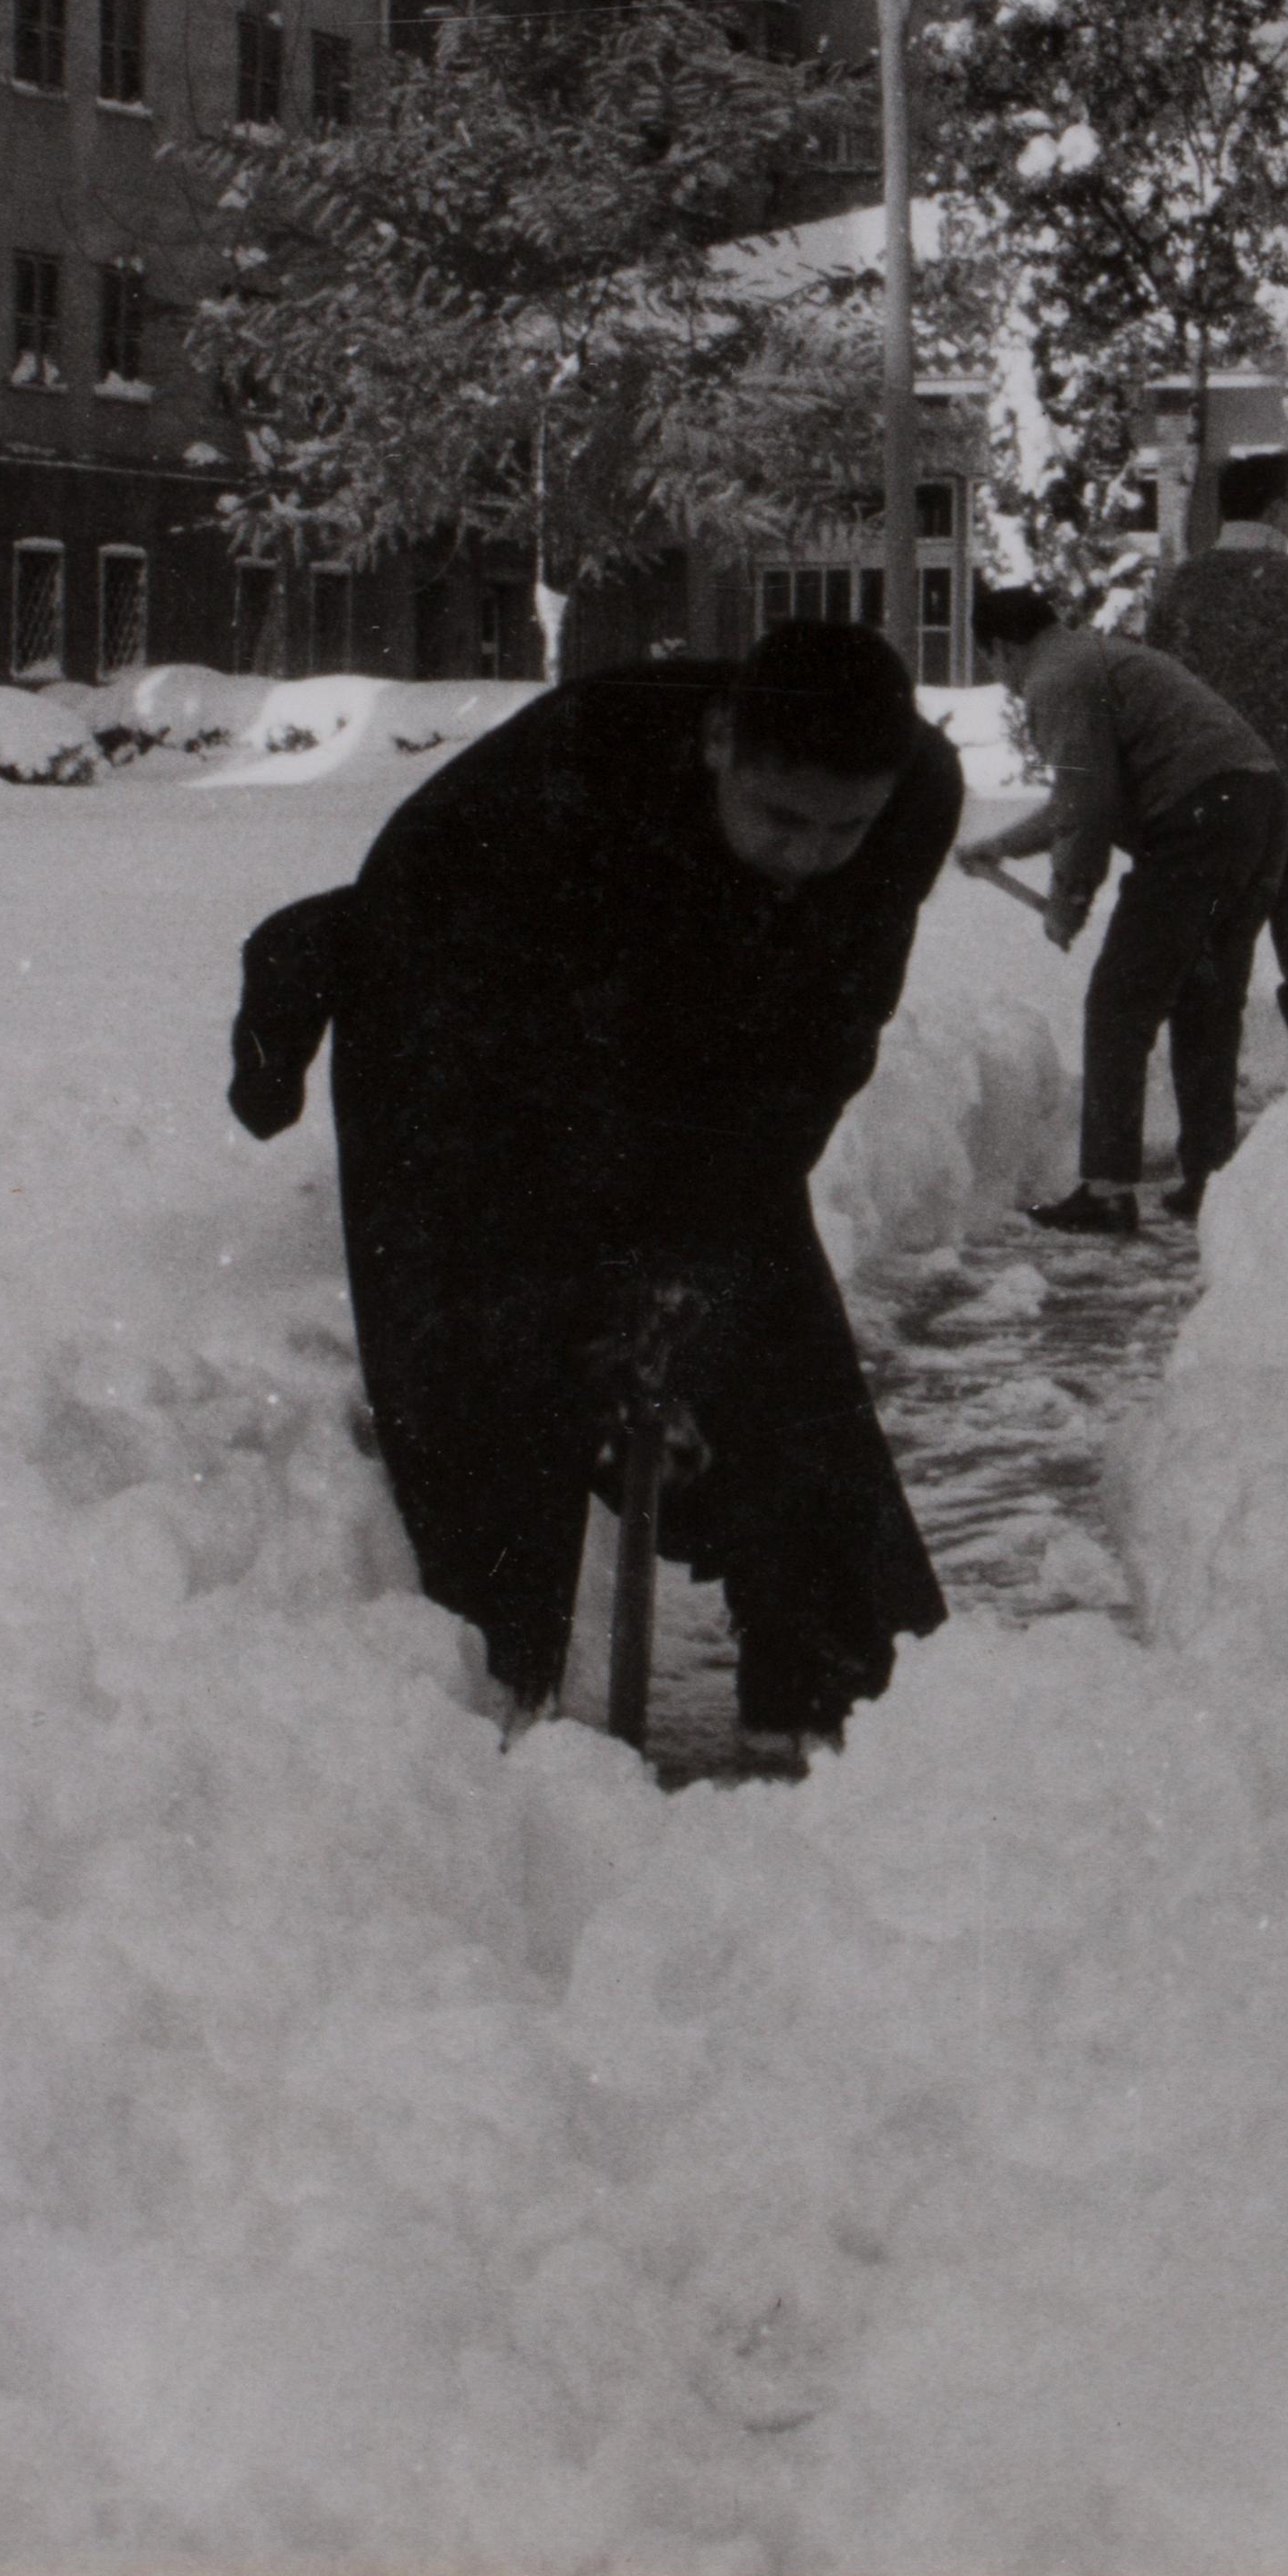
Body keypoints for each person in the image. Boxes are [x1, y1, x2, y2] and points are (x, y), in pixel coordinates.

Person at [228, 624, 961, 1749]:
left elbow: (818, 1042)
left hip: (676, 981)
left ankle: (839, 1684)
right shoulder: (566, 790)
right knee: (487, 1349)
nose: (810, 855)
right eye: (780, 817)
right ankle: (492, 1713)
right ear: (720, 739)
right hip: (449, 987)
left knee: (762, 1313)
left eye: (840, 829)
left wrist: (700, 1261)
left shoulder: (909, 798)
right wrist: (621, 1294)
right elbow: (535, 1108)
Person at [958, 583, 1288, 1236]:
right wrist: (1001, 845)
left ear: (999, 647)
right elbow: (1079, 801)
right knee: (1204, 997)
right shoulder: (1089, 657)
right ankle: (1211, 1176)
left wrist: (1068, 901)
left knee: (1119, 1002)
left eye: (991, 664)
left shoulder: (1055, 679)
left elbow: (1086, 803)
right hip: (1258, 803)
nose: (999, 681)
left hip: (1197, 817)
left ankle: (1108, 1188)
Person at [1144, 450, 1288, 1055]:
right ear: (1274, 507)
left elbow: (1153, 695)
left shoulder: (1179, 585)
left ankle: (1207, 1103)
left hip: (1206, 801)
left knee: (1212, 955)